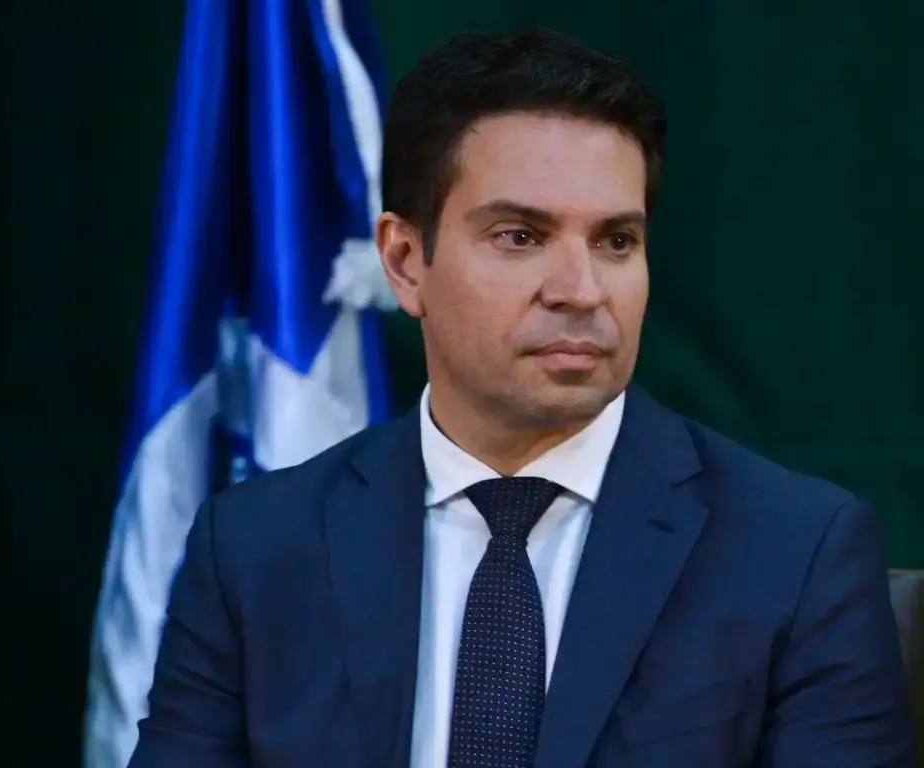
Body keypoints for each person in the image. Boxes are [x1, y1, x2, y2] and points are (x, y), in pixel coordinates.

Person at [129, 29, 916, 768]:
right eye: (520, 236)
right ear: (404, 261)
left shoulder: (797, 553)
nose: (581, 290)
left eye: (615, 241)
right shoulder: (254, 549)